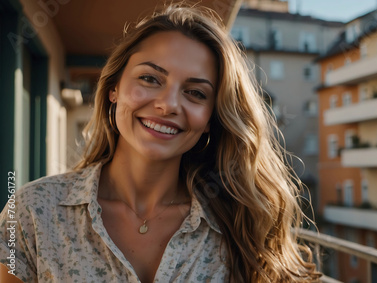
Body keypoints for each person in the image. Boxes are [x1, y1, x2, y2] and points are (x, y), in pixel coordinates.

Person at [0, 4, 320, 282]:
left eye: (195, 93)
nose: (168, 105)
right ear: (114, 88)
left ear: (211, 116)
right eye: (150, 78)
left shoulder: (237, 227)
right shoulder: (30, 211)